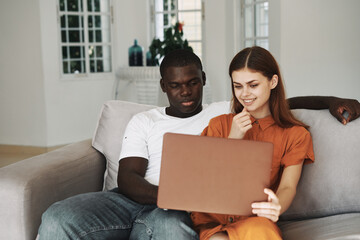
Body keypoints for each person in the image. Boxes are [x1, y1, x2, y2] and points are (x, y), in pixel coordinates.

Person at [37, 49, 360, 240]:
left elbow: (278, 104)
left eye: (192, 83)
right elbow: (127, 179)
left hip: (183, 209)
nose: (186, 92)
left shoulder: (225, 112)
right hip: (148, 199)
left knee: (171, 229)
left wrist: (333, 100)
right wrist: (177, 194)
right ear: (163, 86)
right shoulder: (146, 121)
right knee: (57, 216)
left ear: (204, 80)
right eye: (176, 86)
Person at [191, 46, 315, 239]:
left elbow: (287, 186)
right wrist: (233, 140)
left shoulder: (295, 135)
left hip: (256, 221)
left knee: (260, 232)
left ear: (273, 81)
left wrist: (276, 206)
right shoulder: (219, 125)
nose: (244, 94)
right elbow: (201, 180)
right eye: (238, 86)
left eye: (253, 85)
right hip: (213, 221)